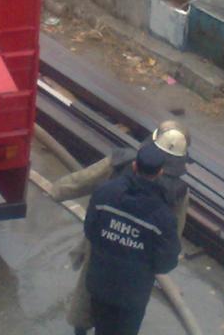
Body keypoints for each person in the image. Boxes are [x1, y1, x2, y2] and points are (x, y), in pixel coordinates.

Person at [53, 121, 191, 335]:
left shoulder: (120, 164)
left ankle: (81, 329)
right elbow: (172, 239)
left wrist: (57, 190)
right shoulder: (178, 192)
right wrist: (155, 264)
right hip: (138, 272)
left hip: (102, 248)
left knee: (87, 298)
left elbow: (82, 182)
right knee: (125, 319)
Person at [83, 141, 182, 335]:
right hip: (133, 295)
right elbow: (166, 262)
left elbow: (90, 231)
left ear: (135, 166)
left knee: (101, 329)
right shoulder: (163, 217)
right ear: (160, 172)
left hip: (100, 283)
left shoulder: (105, 193)